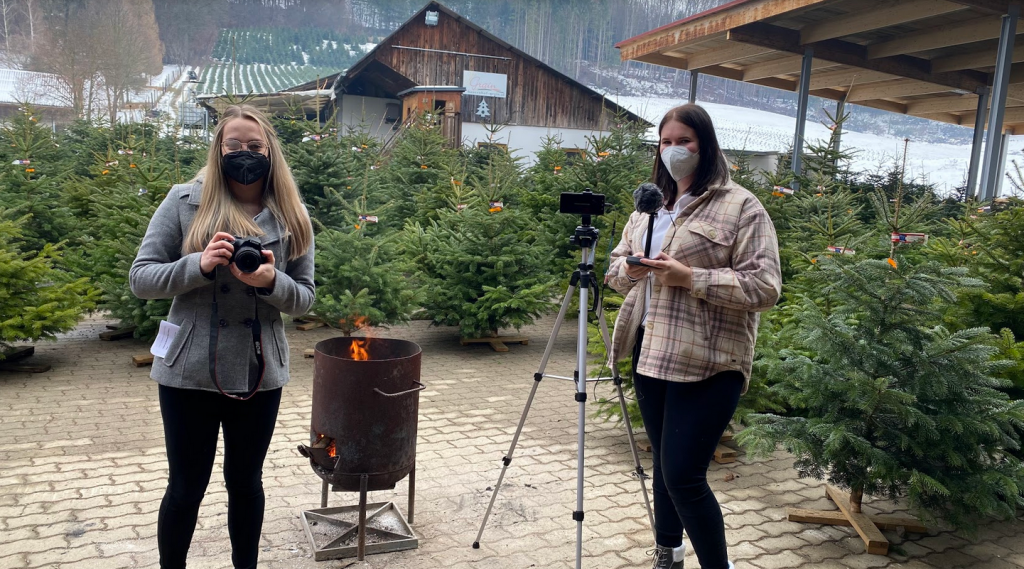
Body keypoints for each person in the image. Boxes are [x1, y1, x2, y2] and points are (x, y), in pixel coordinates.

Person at [130, 104, 315, 569]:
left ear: (270, 151)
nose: (245, 154)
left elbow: (306, 299)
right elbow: (141, 278)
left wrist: (271, 283)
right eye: (234, 145)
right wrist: (199, 265)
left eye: (255, 146)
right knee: (186, 486)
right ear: (218, 150)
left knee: (246, 482)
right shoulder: (183, 201)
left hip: (258, 371)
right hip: (188, 371)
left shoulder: (292, 214)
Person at [606, 104, 781, 569]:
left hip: (709, 361)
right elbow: (615, 271)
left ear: (705, 144)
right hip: (651, 353)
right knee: (665, 470)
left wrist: (692, 278)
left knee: (683, 475)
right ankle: (669, 554)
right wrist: (627, 269)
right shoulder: (648, 209)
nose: (674, 151)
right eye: (665, 142)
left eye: (684, 141)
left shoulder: (742, 206)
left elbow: (765, 287)